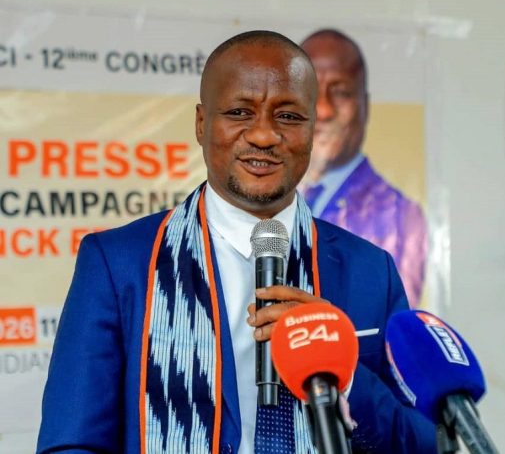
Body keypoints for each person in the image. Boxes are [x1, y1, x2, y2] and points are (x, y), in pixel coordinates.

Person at [37, 31, 436, 454]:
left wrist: (344, 372)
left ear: (311, 129)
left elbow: (423, 442)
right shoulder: (119, 263)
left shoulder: (370, 271)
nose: (263, 135)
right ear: (202, 123)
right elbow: (71, 443)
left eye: (288, 116)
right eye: (240, 112)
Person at [300, 29, 427, 308]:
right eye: (309, 92)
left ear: (365, 106)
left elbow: (389, 325)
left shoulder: (402, 215)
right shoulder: (267, 203)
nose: (323, 109)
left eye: (340, 92)